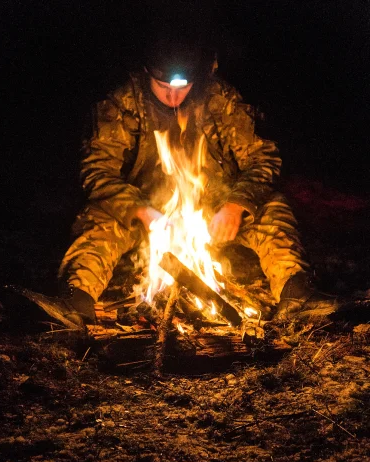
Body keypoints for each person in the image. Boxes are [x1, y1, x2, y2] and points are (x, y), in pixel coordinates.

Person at [38, 37, 337, 328]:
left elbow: (263, 159)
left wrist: (236, 205)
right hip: (148, 219)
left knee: (272, 207)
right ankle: (74, 303)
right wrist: (140, 211)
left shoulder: (221, 100)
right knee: (100, 216)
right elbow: (98, 170)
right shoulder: (123, 104)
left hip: (214, 218)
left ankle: (297, 297)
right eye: (163, 87)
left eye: (182, 88)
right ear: (146, 74)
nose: (173, 97)